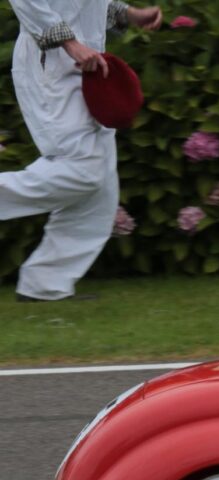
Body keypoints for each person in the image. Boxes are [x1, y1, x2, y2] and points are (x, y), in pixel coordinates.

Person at [2, 1, 162, 302]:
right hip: (51, 64)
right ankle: (45, 283)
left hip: (88, 61)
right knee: (81, 169)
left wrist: (127, 14)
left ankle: (45, 285)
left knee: (100, 191)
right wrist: (70, 43)